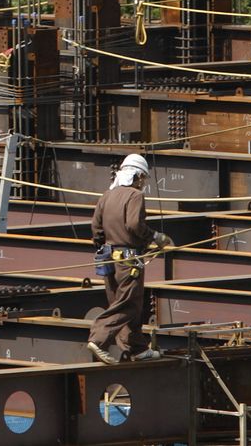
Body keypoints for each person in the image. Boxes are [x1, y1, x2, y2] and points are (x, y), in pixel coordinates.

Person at [86, 154, 172, 365]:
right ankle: (98, 337)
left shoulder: (107, 195)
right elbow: (134, 225)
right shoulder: (134, 196)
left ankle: (137, 348)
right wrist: (155, 237)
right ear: (138, 175)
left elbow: (96, 227)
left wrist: (102, 245)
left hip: (108, 260)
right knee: (129, 304)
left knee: (122, 301)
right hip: (128, 260)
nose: (143, 183)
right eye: (143, 178)